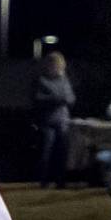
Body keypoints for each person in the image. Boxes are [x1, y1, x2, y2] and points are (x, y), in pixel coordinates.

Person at [33, 51, 75, 189]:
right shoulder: (41, 80)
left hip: (63, 121)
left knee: (61, 153)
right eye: (53, 64)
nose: (55, 67)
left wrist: (60, 98)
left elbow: (70, 98)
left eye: (58, 64)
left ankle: (60, 181)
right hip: (47, 122)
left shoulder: (64, 80)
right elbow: (39, 99)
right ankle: (43, 181)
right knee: (46, 153)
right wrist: (57, 99)